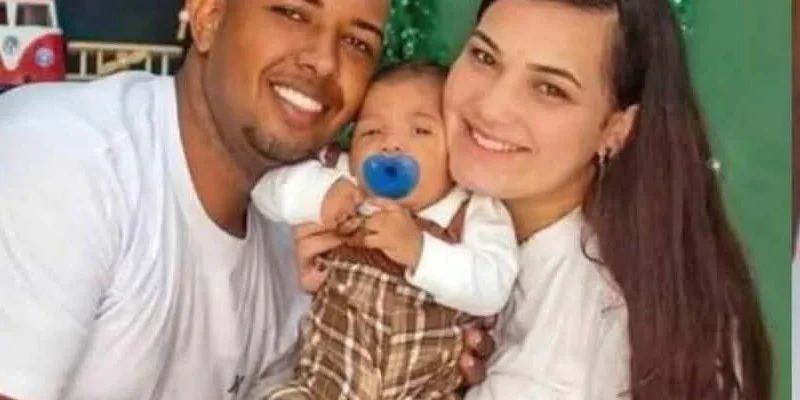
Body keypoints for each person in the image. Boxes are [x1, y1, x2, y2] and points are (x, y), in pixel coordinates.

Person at [0, 1, 491, 399]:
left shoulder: (314, 231)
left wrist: (409, 363)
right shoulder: (63, 159)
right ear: (208, 15)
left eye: (357, 43)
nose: (325, 61)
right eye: (293, 13)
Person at [294, 0, 773, 398]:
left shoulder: (584, 332)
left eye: (549, 89)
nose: (491, 106)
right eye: (485, 58)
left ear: (616, 128)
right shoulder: (442, 218)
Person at [250, 62, 517, 399]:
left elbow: (494, 286)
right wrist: (319, 195)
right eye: (371, 132)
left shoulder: (473, 208)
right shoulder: (347, 183)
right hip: (327, 381)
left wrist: (420, 251)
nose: (391, 145)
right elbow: (264, 190)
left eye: (420, 130)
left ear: (456, 146)